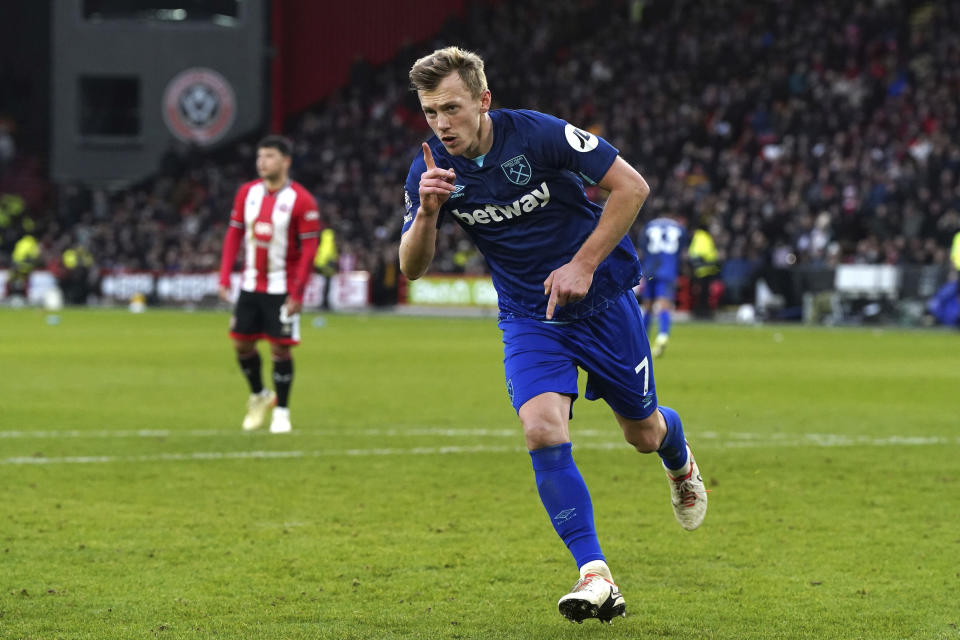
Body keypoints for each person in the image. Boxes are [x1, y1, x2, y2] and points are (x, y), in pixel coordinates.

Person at [400, 47, 707, 624]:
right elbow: (411, 269)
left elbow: (632, 188)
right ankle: (595, 574)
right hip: (528, 314)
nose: (442, 124)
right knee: (541, 429)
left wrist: (584, 264)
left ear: (483, 101)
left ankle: (678, 458)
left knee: (641, 433)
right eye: (429, 112)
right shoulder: (430, 170)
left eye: (452, 109)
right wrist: (426, 214)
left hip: (602, 300)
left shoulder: (538, 135)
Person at [218, 135, 321, 433]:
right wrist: (225, 276)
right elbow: (233, 235)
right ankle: (260, 394)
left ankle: (282, 413)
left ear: (285, 161)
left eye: (269, 157)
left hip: (282, 287)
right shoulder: (246, 193)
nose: (262, 162)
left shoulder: (302, 200)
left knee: (280, 349)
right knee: (241, 343)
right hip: (251, 284)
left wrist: (298, 292)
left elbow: (309, 251)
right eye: (260, 156)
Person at [638, 213, 688, 357]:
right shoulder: (679, 228)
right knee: (664, 304)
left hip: (650, 268)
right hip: (668, 269)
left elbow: (642, 250)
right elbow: (682, 252)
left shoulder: (649, 226)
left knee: (647, 305)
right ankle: (662, 336)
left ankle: (642, 340)